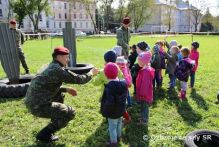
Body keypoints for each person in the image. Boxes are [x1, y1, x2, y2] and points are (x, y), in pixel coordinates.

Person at [24, 47, 99, 142]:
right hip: (37, 106)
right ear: (59, 57)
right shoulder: (57, 69)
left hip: (32, 101)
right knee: (70, 112)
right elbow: (79, 79)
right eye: (66, 57)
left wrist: (65, 89)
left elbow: (46, 86)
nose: (67, 60)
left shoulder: (49, 65)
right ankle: (44, 135)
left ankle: (55, 118)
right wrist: (91, 73)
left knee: (60, 96)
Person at [100, 62, 128, 146]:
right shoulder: (124, 83)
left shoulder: (108, 87)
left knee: (112, 128)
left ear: (106, 75)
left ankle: (113, 142)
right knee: (119, 123)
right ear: (117, 72)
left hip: (112, 113)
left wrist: (105, 112)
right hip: (121, 110)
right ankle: (119, 136)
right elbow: (125, 97)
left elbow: (109, 103)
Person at [136, 52, 155, 125]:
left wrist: (142, 93)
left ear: (145, 62)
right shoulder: (144, 69)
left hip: (145, 94)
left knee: (145, 107)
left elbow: (145, 84)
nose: (138, 62)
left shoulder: (146, 72)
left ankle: (144, 120)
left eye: (140, 61)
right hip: (143, 93)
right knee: (143, 106)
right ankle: (143, 117)